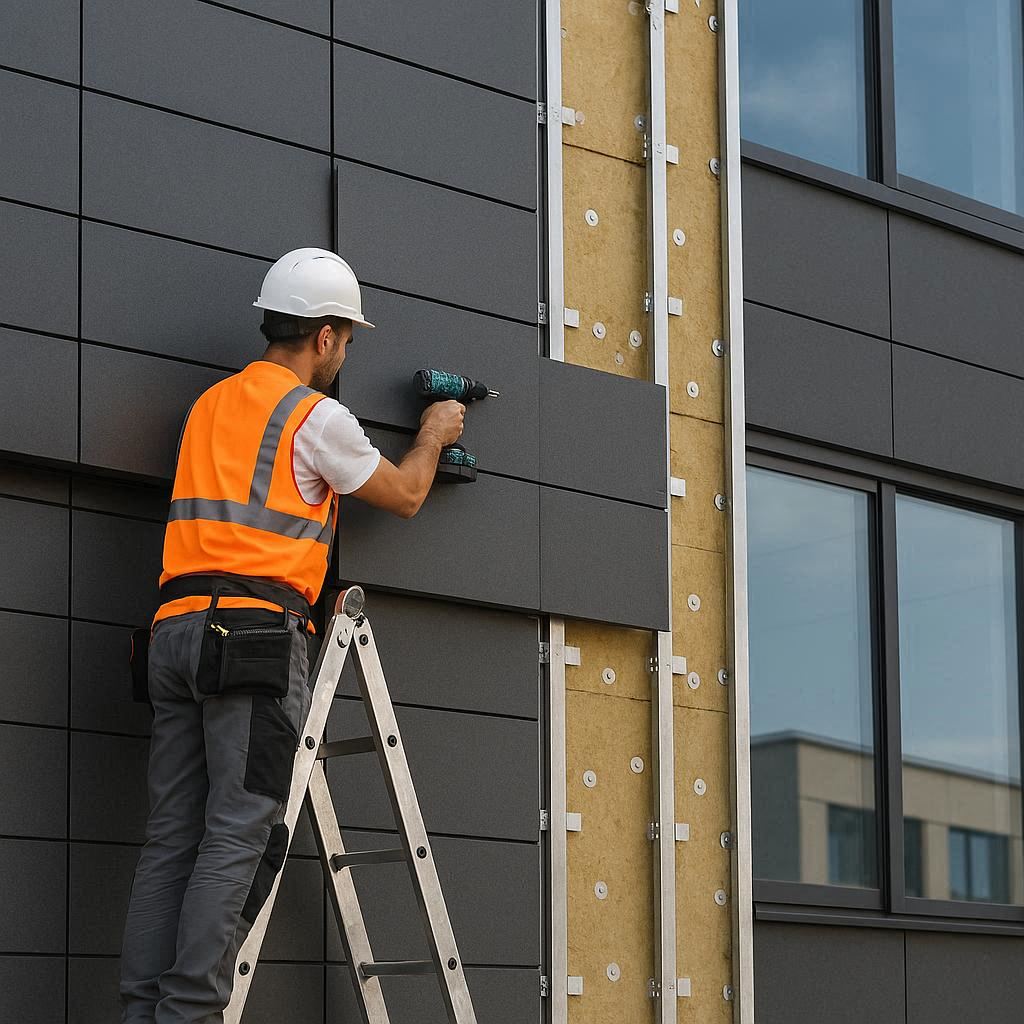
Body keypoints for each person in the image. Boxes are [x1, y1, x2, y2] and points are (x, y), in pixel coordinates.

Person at [118, 248, 465, 1023]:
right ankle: (188, 1016)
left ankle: (143, 1013)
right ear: (327, 337)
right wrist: (435, 433)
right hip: (248, 641)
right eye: (347, 340)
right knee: (238, 832)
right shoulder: (314, 416)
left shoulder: (211, 405)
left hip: (173, 633)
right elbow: (404, 494)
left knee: (172, 837)